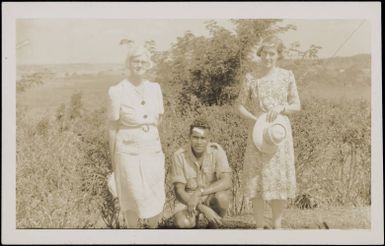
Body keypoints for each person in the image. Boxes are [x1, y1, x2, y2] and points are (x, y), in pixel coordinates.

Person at [236, 36, 301, 229]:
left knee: (278, 179)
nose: (267, 57)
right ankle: (258, 226)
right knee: (257, 179)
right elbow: (239, 105)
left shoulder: (287, 75)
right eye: (264, 53)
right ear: (260, 54)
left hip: (279, 134)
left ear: (278, 55)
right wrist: (254, 119)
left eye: (272, 53)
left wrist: (282, 108)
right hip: (257, 133)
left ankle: (277, 225)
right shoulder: (251, 78)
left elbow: (297, 105)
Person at [107, 44, 165, 228]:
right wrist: (114, 158)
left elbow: (159, 118)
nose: (139, 65)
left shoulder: (155, 88)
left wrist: (149, 137)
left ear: (148, 64)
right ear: (129, 63)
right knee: (131, 194)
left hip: (152, 149)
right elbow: (112, 127)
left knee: (154, 191)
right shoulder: (116, 91)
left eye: (143, 61)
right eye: (135, 61)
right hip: (128, 151)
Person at [170, 117, 233, 228]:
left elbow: (227, 181)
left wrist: (200, 192)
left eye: (203, 138)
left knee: (222, 198)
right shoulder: (179, 155)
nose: (199, 142)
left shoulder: (217, 151)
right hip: (188, 199)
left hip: (209, 196)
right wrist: (201, 207)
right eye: (195, 137)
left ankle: (213, 226)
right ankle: (193, 225)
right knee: (183, 223)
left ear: (209, 139)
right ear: (189, 137)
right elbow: (179, 192)